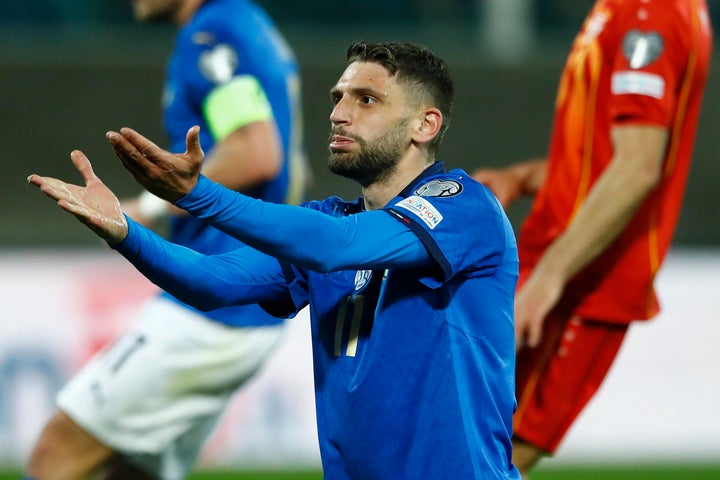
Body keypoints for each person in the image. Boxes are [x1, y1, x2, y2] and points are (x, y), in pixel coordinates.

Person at [29, 41, 521, 479]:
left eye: (366, 99)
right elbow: (216, 282)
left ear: (424, 124)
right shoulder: (329, 220)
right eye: (338, 97)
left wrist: (200, 195)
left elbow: (336, 246)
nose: (339, 113)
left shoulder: (461, 206)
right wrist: (126, 233)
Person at [24, 0, 307, 479]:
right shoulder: (246, 25)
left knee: (59, 452)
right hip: (244, 296)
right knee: (132, 471)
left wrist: (148, 207)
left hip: (215, 300)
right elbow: (277, 155)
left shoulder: (212, 33)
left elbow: (256, 150)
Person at [472, 0, 713, 477]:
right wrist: (520, 177)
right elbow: (601, 165)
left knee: (485, 459)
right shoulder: (628, 9)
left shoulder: (653, 12)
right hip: (564, 264)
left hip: (583, 279)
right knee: (466, 447)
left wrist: (550, 279)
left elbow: (638, 167)